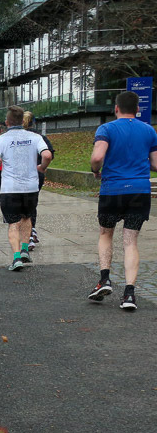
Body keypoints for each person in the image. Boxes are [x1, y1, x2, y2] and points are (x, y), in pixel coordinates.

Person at [86, 90, 157, 310]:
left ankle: (105, 279)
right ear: (138, 109)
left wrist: (95, 169)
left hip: (112, 190)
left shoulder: (106, 128)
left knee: (106, 234)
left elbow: (98, 157)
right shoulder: (149, 131)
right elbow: (156, 164)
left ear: (116, 108)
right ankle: (129, 295)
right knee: (130, 242)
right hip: (139, 191)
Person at [0, 105, 52, 271]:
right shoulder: (35, 137)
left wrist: (0, 161)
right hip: (31, 187)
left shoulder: (0, 140)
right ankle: (25, 249)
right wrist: (42, 168)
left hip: (10, 188)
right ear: (22, 121)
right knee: (27, 217)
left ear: (6, 122)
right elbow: (47, 155)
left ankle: (16, 258)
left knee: (13, 223)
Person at [23, 112, 54, 251]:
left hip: (19, 175)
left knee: (20, 204)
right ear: (33, 122)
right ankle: (32, 229)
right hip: (36, 174)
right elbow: (49, 154)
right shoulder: (40, 137)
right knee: (32, 202)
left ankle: (27, 234)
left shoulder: (15, 137)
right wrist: (42, 166)